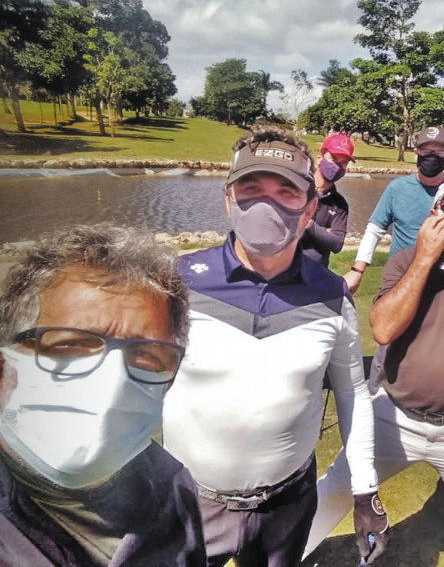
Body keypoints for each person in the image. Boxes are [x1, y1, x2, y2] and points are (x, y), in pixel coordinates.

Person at [161, 127, 388, 567]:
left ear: (309, 211)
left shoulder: (332, 295)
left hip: (288, 506)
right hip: (188, 504)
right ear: (229, 199)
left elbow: (352, 393)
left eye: (286, 192)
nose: (266, 203)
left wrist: (365, 488)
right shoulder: (177, 283)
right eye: (251, 187)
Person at [304, 176, 444, 567]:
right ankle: (280, 555)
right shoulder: (406, 261)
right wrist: (424, 259)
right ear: (431, 215)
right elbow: (383, 327)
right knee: (336, 489)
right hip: (396, 416)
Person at [0, 224, 206, 566]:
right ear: (6, 365)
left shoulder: (174, 486)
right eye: (71, 344)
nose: (112, 384)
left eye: (147, 356)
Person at [343, 126, 444, 293]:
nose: (432, 156)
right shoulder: (397, 188)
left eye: (438, 152)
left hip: (442, 279)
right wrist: (357, 269)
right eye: (425, 151)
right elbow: (374, 230)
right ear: (416, 153)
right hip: (400, 275)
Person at [300, 133, 354, 267]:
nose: (337, 166)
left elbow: (336, 244)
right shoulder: (297, 187)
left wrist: (309, 225)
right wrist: (324, 231)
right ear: (320, 158)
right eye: (334, 159)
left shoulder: (340, 204)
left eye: (343, 163)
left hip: (316, 276)